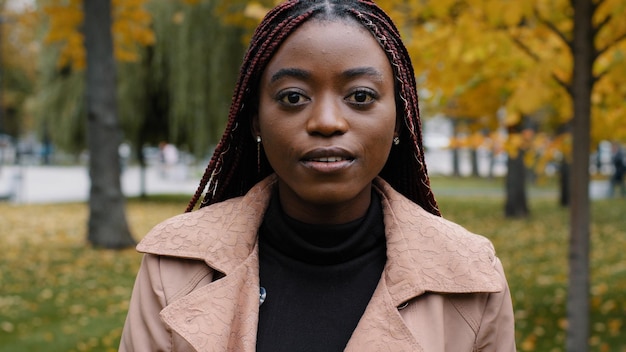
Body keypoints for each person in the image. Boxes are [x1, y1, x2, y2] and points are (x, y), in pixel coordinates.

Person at [119, 1, 516, 351]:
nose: (327, 122)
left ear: (400, 119)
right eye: (293, 97)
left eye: (360, 96)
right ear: (255, 119)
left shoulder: (471, 277)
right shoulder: (174, 267)